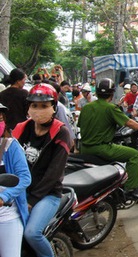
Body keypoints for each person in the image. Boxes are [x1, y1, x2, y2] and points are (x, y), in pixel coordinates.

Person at [12, 83, 71, 257]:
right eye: (34, 105)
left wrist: (31, 200)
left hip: (47, 194)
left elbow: (53, 173)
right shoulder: (21, 129)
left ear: (53, 107)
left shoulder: (61, 132)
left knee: (31, 233)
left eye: (44, 106)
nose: (38, 110)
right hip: (20, 191)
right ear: (28, 107)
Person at [77, 78, 138, 200]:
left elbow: (82, 125)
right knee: (134, 154)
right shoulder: (110, 108)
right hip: (102, 148)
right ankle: (131, 190)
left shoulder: (86, 108)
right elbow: (129, 123)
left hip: (84, 148)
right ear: (111, 94)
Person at [0, 103, 32, 257]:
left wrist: (3, 197)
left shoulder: (11, 147)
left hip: (7, 215)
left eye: (0, 117)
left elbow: (25, 178)